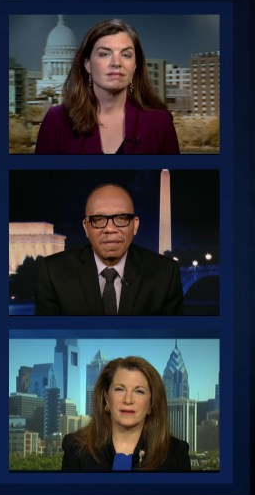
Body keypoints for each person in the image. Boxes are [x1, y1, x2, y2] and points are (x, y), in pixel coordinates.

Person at [34, 183, 183, 315]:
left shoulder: (166, 273)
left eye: (121, 218)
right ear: (86, 228)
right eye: (98, 220)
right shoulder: (53, 272)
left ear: (135, 225)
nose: (110, 229)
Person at [35, 19, 179, 155]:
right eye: (104, 54)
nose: (116, 63)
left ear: (135, 66)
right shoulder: (57, 121)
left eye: (126, 55)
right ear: (87, 64)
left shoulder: (160, 122)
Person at [61, 356, 191, 471]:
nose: (128, 400)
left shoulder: (176, 454)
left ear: (151, 403)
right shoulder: (76, 449)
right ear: (106, 398)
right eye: (119, 389)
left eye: (139, 391)